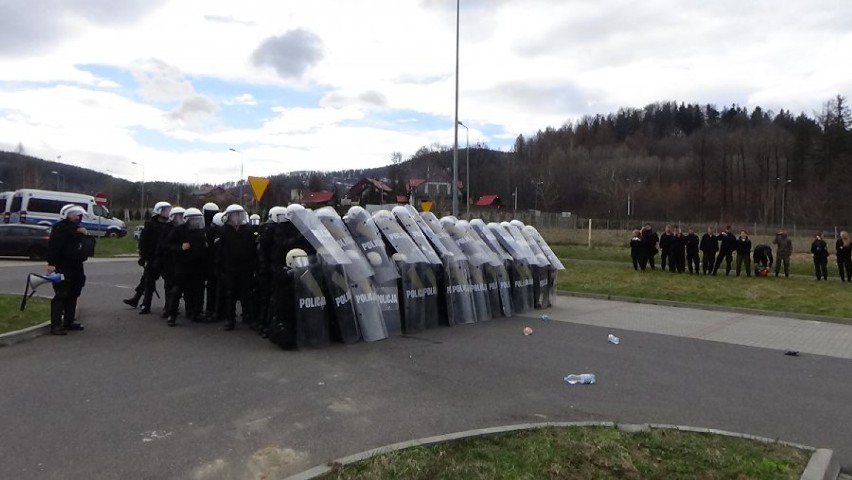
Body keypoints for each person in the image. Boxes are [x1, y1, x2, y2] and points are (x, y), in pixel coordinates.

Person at [46, 205, 94, 335]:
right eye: (75, 215)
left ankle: (69, 321)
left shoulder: (78, 229)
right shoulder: (60, 228)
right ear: (68, 215)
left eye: (79, 215)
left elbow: (88, 248)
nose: (78, 217)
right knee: (61, 294)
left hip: (77, 266)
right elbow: (53, 247)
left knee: (74, 293)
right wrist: (51, 264)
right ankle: (56, 325)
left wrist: (86, 235)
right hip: (62, 266)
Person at [124, 201, 171, 314]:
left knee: (168, 283)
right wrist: (143, 257)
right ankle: (146, 305)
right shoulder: (150, 225)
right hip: (152, 257)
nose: (168, 212)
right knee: (149, 281)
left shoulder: (170, 225)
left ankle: (169, 306)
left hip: (166, 258)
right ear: (159, 211)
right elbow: (143, 242)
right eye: (165, 210)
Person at [164, 208, 208, 326]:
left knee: (198, 290)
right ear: (187, 220)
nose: (196, 222)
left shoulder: (202, 231)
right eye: (193, 219)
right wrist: (180, 247)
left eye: (198, 219)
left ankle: (196, 312)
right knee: (177, 290)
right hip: (183, 265)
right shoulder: (179, 230)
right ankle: (171, 315)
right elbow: (168, 244)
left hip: (198, 265)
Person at [217, 204, 258, 331]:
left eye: (238, 215)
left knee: (246, 294)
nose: (236, 217)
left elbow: (254, 248)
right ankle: (230, 320)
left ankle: (248, 318)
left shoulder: (248, 229)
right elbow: (219, 250)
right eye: (234, 215)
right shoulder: (224, 230)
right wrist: (219, 267)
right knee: (230, 294)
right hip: (230, 267)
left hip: (246, 267)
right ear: (229, 217)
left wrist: (255, 264)